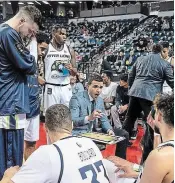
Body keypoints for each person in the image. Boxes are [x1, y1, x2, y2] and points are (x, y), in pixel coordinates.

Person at [1, 104, 110, 183]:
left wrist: (7, 176)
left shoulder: (47, 154)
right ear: (71, 125)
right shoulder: (89, 143)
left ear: (45, 128)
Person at [0, 6, 41, 179]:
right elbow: (29, 65)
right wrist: (32, 59)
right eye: (31, 31)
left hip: (11, 101)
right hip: (12, 103)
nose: (30, 35)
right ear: (22, 21)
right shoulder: (9, 34)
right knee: (12, 161)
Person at [108, 92, 174, 183]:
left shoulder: (160, 156)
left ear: (159, 116)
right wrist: (136, 170)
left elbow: (158, 159)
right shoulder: (165, 150)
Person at [123, 44, 174, 162]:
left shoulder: (140, 59)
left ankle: (120, 145)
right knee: (152, 124)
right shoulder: (164, 64)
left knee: (129, 119)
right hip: (150, 96)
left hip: (135, 92)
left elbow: (131, 75)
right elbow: (172, 82)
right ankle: (148, 155)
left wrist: (132, 89)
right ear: (162, 52)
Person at [69, 74, 129, 159]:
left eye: (101, 87)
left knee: (124, 134)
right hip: (81, 133)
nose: (98, 90)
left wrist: (109, 130)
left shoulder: (100, 100)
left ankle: (120, 162)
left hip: (94, 132)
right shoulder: (76, 99)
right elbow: (73, 121)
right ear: (87, 86)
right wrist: (89, 118)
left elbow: (104, 119)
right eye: (95, 86)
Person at [24, 31, 50, 160]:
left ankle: (28, 170)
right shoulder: (23, 57)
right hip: (20, 106)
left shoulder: (40, 61)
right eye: (41, 48)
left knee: (32, 141)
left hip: (34, 106)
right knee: (17, 143)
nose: (43, 52)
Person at [44, 25, 77, 112]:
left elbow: (74, 72)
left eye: (65, 34)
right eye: (61, 34)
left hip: (66, 87)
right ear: (54, 34)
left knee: (67, 115)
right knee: (51, 115)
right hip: (51, 85)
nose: (64, 36)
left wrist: (71, 69)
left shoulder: (70, 50)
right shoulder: (47, 48)